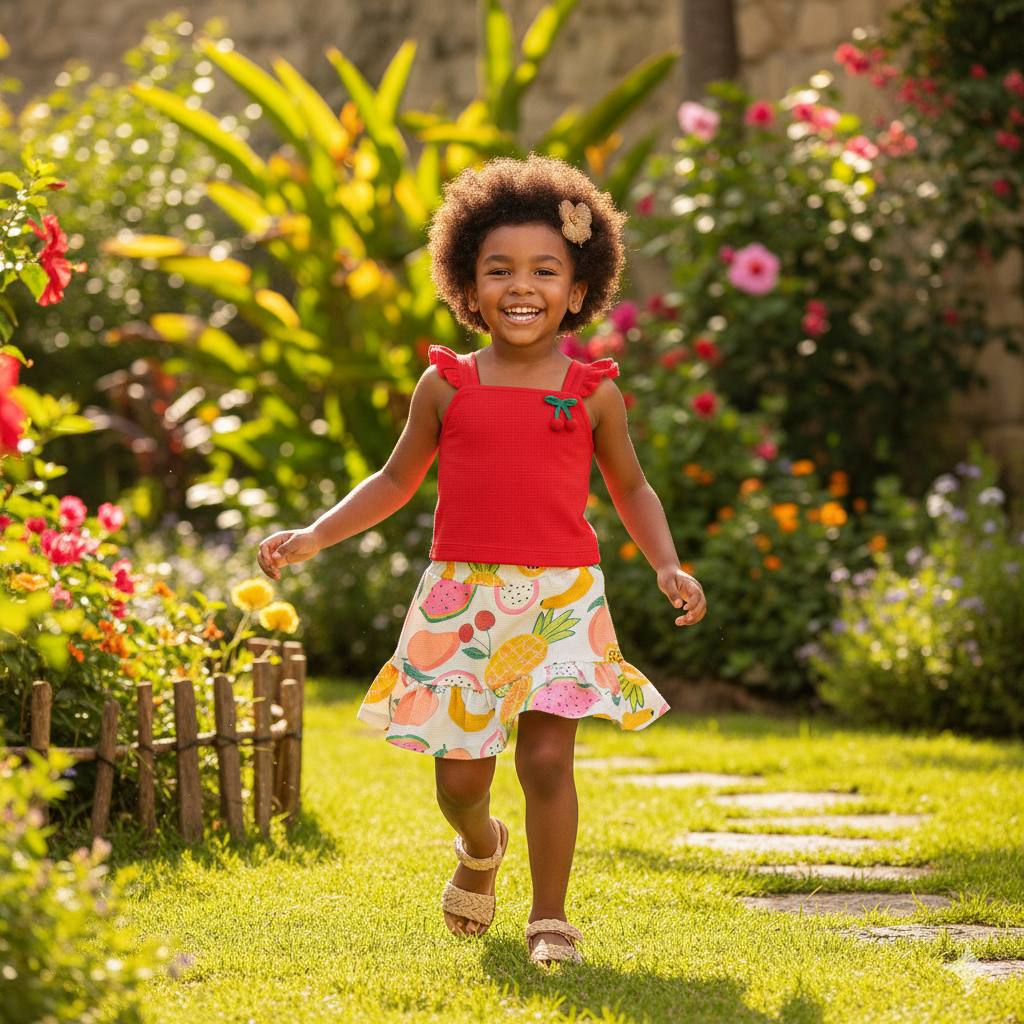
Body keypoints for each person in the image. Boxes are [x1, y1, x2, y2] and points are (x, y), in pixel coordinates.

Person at [257, 155, 706, 967]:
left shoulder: (594, 392)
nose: (521, 286)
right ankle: (479, 844)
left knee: (547, 760)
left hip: (559, 601)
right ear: (468, 285)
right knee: (460, 783)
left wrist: (666, 564)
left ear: (578, 288)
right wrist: (316, 534)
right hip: (462, 603)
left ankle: (551, 920)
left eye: (544, 270)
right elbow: (394, 480)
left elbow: (633, 488)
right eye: (499, 269)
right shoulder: (447, 386)